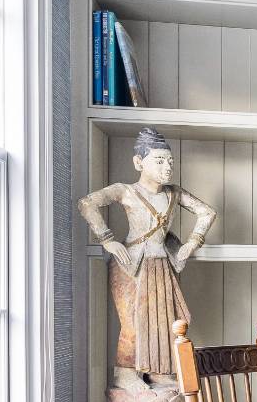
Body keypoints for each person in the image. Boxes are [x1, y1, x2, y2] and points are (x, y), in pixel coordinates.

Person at [76, 127, 217, 383]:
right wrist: (107, 240)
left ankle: (159, 372)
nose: (167, 167)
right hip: (130, 263)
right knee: (132, 322)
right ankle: (126, 375)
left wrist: (191, 244)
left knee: (164, 323)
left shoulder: (174, 193)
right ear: (139, 162)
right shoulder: (125, 190)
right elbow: (87, 203)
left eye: (170, 161)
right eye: (160, 160)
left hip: (163, 264)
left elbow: (207, 212)